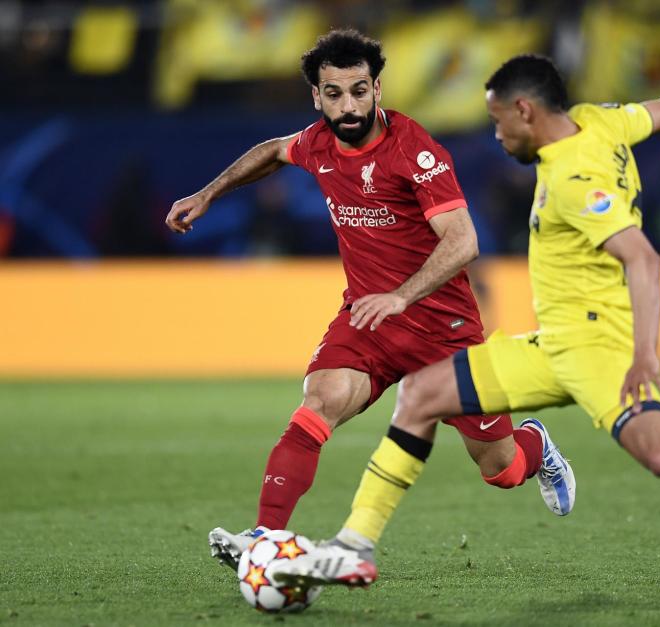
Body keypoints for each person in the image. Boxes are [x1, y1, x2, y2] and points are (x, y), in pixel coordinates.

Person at [274, 54, 660, 591]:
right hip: (554, 343)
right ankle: (355, 547)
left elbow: (643, 260)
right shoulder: (600, 122)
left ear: (524, 112)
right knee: (422, 393)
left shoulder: (575, 178)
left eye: (497, 124)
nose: (495, 138)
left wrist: (645, 357)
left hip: (600, 348)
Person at [164, 33, 574, 586]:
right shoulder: (319, 144)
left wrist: (402, 295)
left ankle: (536, 443)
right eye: (334, 94)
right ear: (317, 97)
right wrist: (209, 192)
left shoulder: (415, 151)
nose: (349, 107)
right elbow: (273, 151)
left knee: (500, 470)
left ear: (377, 87)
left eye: (360, 91)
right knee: (318, 402)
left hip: (440, 329)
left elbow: (464, 241)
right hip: (368, 322)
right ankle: (265, 540)